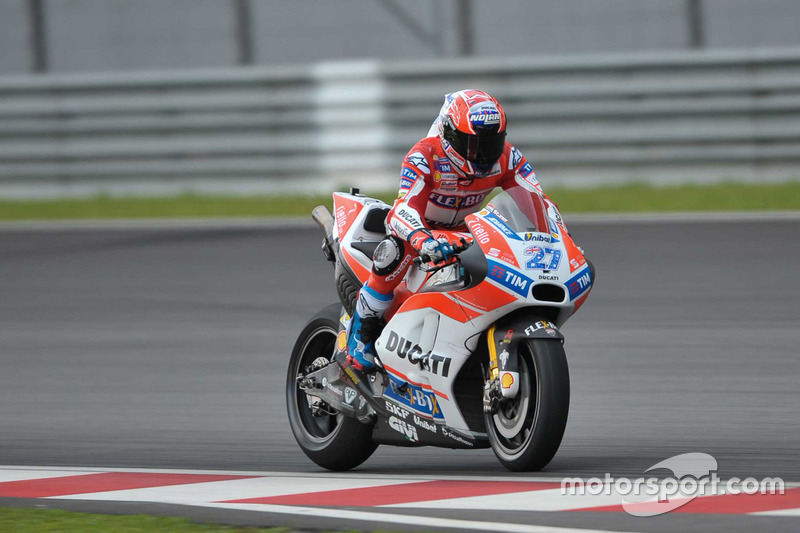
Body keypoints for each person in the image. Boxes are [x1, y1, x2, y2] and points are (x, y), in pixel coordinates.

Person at [345, 89, 563, 372]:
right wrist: (421, 238)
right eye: (471, 144)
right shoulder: (425, 155)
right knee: (394, 250)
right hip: (424, 233)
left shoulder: (509, 158)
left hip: (473, 233)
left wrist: (557, 238)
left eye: (491, 143)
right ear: (449, 134)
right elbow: (403, 209)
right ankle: (361, 333)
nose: (483, 155)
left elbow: (537, 202)